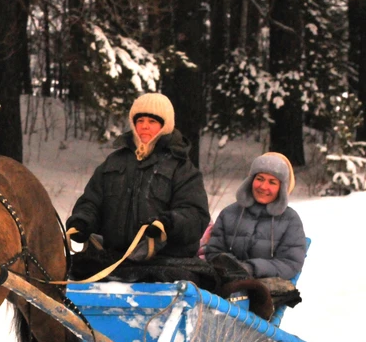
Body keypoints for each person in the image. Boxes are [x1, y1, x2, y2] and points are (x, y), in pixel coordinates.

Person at [65, 93, 210, 274]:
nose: (144, 126)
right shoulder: (113, 162)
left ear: (165, 126)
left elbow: (196, 215)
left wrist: (167, 225)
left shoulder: (181, 167)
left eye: (152, 121)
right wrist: (81, 222)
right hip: (113, 259)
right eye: (140, 120)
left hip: (166, 262)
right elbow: (92, 202)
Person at [204, 152, 306, 281]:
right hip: (226, 282)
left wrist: (251, 268)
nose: (263, 187)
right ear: (251, 180)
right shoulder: (229, 213)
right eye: (260, 179)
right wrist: (233, 268)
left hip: (265, 289)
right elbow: (213, 252)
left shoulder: (290, 220)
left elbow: (290, 263)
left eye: (272, 182)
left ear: (282, 188)